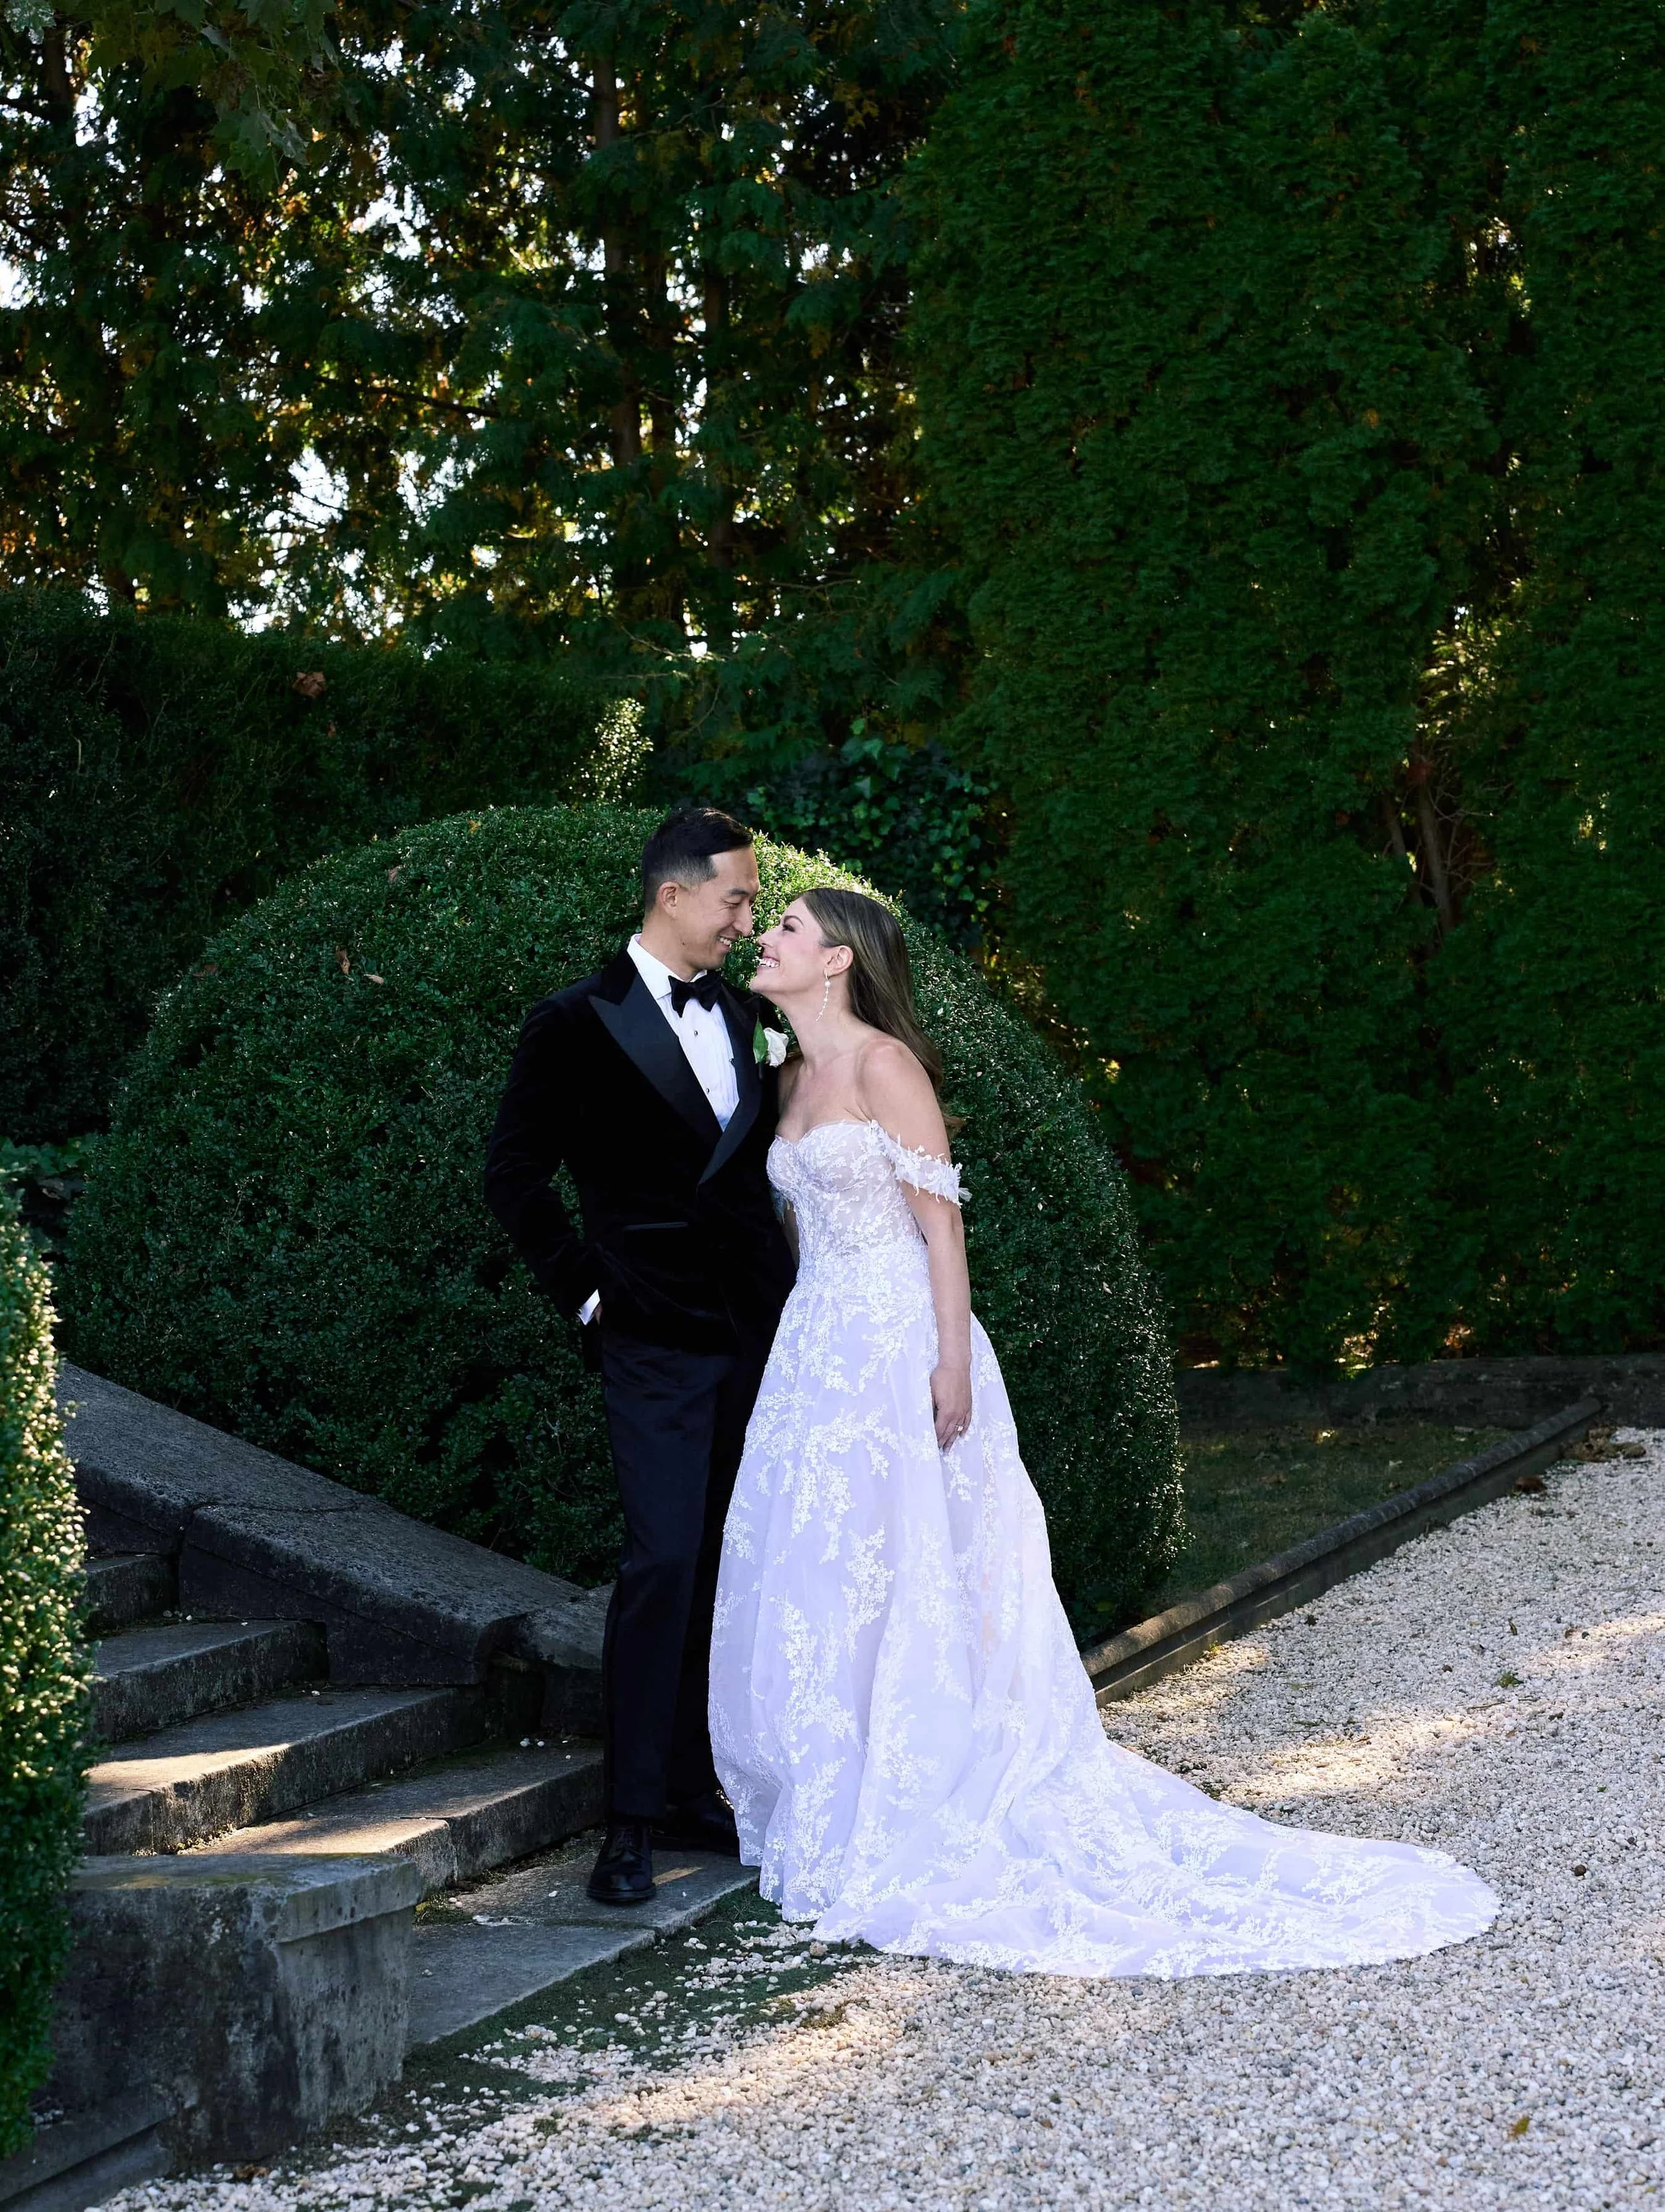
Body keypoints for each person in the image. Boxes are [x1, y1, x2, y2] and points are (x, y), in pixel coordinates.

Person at [709, 888, 1498, 1974]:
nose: (771, 939)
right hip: (818, 1349)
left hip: (900, 1337)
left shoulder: (887, 1067)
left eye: (790, 927)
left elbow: (941, 1229)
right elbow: (798, 1235)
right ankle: (838, 1787)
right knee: (829, 1565)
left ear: (839, 961)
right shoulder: (786, 1079)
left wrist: (948, 1362)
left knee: (924, 1563)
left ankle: (932, 1779)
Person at [485, 808, 795, 1905]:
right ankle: (627, 1821)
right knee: (662, 1560)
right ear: (674, 895)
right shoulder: (574, 1023)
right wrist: (587, 1292)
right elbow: (512, 1176)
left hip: (760, 1334)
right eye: (737, 900)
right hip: (652, 1337)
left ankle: (694, 1791)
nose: (746, 921)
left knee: (729, 1559)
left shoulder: (757, 1015)